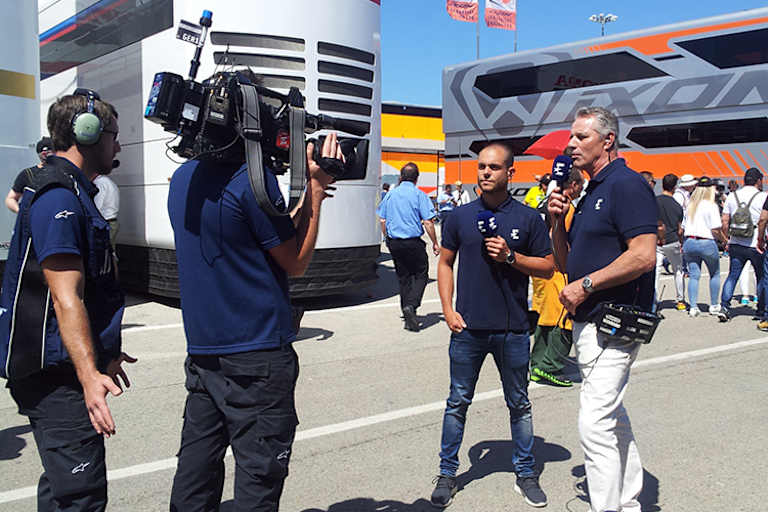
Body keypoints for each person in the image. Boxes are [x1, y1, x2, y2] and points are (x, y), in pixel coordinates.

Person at [167, 105, 339, 509]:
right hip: (257, 357)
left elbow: (256, 234)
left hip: (205, 355)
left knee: (196, 472)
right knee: (259, 476)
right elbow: (294, 260)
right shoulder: (252, 181)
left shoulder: (182, 178)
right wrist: (315, 190)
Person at [0, 90, 131, 510]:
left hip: (58, 368)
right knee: (81, 494)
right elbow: (65, 297)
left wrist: (104, 353)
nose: (118, 144)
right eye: (113, 134)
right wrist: (90, 378)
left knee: (61, 488)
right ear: (86, 134)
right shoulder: (60, 197)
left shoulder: (68, 191)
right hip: (55, 377)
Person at [431, 142, 553, 509]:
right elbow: (444, 264)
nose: (485, 172)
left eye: (494, 167)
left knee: (519, 404)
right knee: (457, 403)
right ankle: (448, 473)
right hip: (467, 329)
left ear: (509, 173)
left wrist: (512, 257)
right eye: (481, 166)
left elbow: (548, 266)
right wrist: (447, 310)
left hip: (513, 329)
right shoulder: (459, 217)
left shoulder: (529, 218)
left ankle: (526, 472)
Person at [548, 106, 657, 512]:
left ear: (607, 141)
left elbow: (644, 255)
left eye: (580, 137)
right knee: (612, 415)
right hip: (588, 322)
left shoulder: (626, 185)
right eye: (571, 138)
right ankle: (629, 502)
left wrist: (587, 284)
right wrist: (556, 220)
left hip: (615, 322)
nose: (570, 145)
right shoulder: (592, 188)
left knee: (594, 423)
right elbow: (563, 262)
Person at [530, 167, 583, 388]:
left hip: (539, 267)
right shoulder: (566, 206)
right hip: (556, 268)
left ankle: (537, 363)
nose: (581, 189)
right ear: (573, 185)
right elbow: (556, 235)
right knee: (566, 317)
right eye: (580, 184)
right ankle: (550, 366)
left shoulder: (546, 200)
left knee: (545, 316)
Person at [377, 163, 440, 332]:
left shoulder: (390, 195)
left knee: (403, 277)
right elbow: (428, 222)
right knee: (421, 274)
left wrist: (387, 238)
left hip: (395, 242)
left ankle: (407, 315)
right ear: (417, 178)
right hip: (413, 242)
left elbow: (382, 220)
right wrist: (435, 242)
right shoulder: (420, 195)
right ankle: (412, 306)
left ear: (401, 177)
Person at [717, 167, 767, 322]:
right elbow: (763, 220)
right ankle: (760, 309)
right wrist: (761, 239)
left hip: (736, 243)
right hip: (755, 243)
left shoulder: (732, 196)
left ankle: (724, 306)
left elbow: (725, 221)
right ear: (758, 181)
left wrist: (727, 239)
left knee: (733, 275)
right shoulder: (763, 196)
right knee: (760, 277)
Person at [681, 177, 727, 317]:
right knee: (714, 273)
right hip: (706, 242)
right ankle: (713, 305)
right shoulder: (711, 205)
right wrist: (725, 240)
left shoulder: (690, 204)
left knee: (694, 275)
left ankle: (693, 307)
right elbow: (715, 229)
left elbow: (683, 227)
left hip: (690, 241)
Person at [656, 174, 687, 311]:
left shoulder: (654, 201)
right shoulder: (677, 206)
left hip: (657, 242)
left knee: (656, 271)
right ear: (674, 187)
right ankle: (680, 300)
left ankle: (654, 301)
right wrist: (681, 243)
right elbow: (680, 229)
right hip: (673, 240)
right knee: (678, 271)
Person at [5, 136, 54, 213]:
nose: (46, 156)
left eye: (49, 153)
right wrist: (22, 212)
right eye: (43, 153)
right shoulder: (27, 174)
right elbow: (10, 199)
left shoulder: (63, 172)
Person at [93, 172, 120, 248]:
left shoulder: (99, 183)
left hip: (106, 223)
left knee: (105, 251)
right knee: (110, 251)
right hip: (112, 221)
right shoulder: (108, 181)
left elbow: (97, 205)